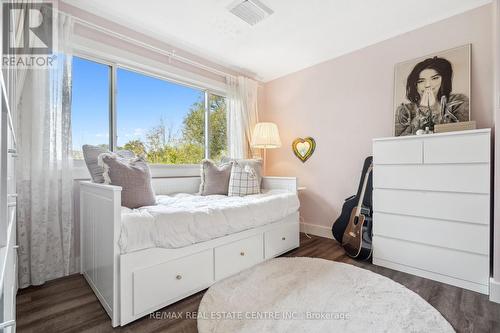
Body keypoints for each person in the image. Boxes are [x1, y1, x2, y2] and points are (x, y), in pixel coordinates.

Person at [395, 56, 469, 136]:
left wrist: (435, 108)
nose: (427, 85)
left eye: (434, 78)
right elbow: (399, 140)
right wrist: (421, 112)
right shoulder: (404, 110)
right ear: (415, 84)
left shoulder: (458, 101)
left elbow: (461, 134)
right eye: (421, 81)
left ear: (443, 79)